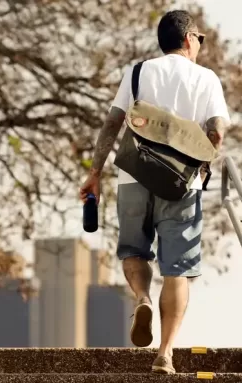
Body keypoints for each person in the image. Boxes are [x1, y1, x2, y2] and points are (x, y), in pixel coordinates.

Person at [79, 10, 230, 374]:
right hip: (182, 185)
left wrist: (94, 173)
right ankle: (165, 354)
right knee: (177, 270)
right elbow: (218, 132)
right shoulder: (206, 79)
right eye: (201, 40)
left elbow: (112, 124)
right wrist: (203, 163)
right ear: (190, 38)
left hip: (134, 176)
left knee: (133, 251)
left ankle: (142, 299)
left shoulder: (137, 71)